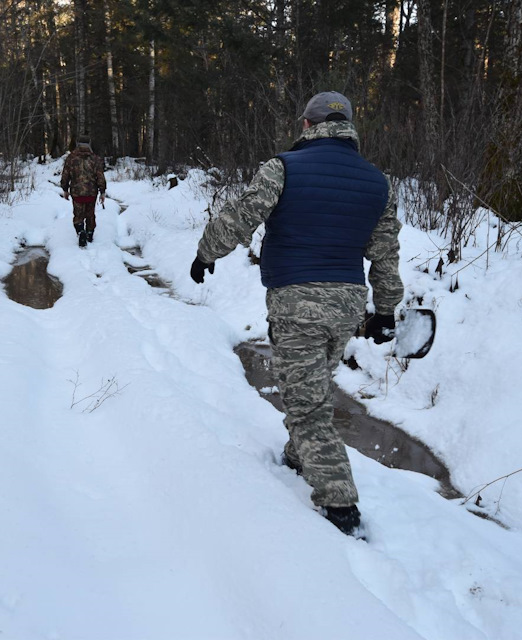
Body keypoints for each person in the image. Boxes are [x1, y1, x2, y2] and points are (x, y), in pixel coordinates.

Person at [190, 91, 403, 536]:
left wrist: (207, 253)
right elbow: (384, 254)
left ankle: (339, 502)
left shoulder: (282, 167)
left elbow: (242, 216)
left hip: (296, 303)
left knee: (307, 407)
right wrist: (385, 310)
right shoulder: (379, 182)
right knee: (314, 385)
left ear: (307, 124)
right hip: (346, 303)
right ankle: (296, 454)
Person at [61, 135, 107, 247]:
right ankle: (89, 233)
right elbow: (100, 176)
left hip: (76, 193)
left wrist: (65, 189)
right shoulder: (95, 159)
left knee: (78, 214)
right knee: (90, 214)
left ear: (77, 144)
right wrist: (102, 192)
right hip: (91, 192)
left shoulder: (71, 158)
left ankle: (81, 232)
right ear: (89, 144)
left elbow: (65, 175)